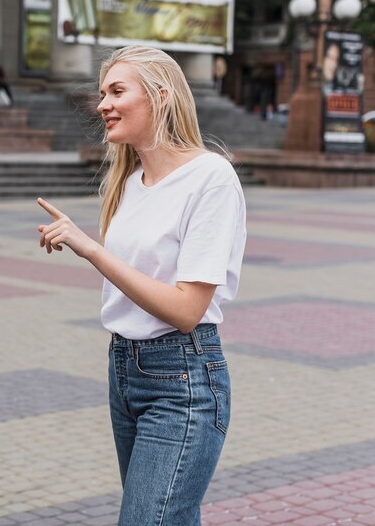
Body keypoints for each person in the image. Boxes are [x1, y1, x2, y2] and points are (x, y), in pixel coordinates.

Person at [35, 45, 245, 525]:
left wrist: (91, 250)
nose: (103, 103)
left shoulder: (211, 178)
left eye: (117, 91)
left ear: (161, 94)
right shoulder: (127, 180)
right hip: (124, 369)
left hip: (183, 376)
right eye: (102, 92)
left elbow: (187, 308)